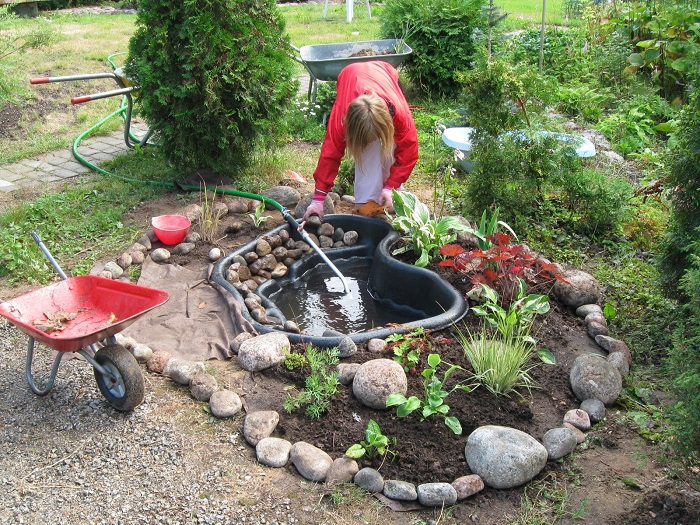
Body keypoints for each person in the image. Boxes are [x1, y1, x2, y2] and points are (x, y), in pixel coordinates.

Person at [301, 60, 418, 225]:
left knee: (387, 146)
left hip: (385, 72)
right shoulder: (342, 118)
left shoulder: (400, 114)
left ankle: (391, 194)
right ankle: (366, 203)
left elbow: (409, 152)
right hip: (349, 75)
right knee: (369, 151)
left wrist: (390, 185)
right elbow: (330, 153)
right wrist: (318, 200)